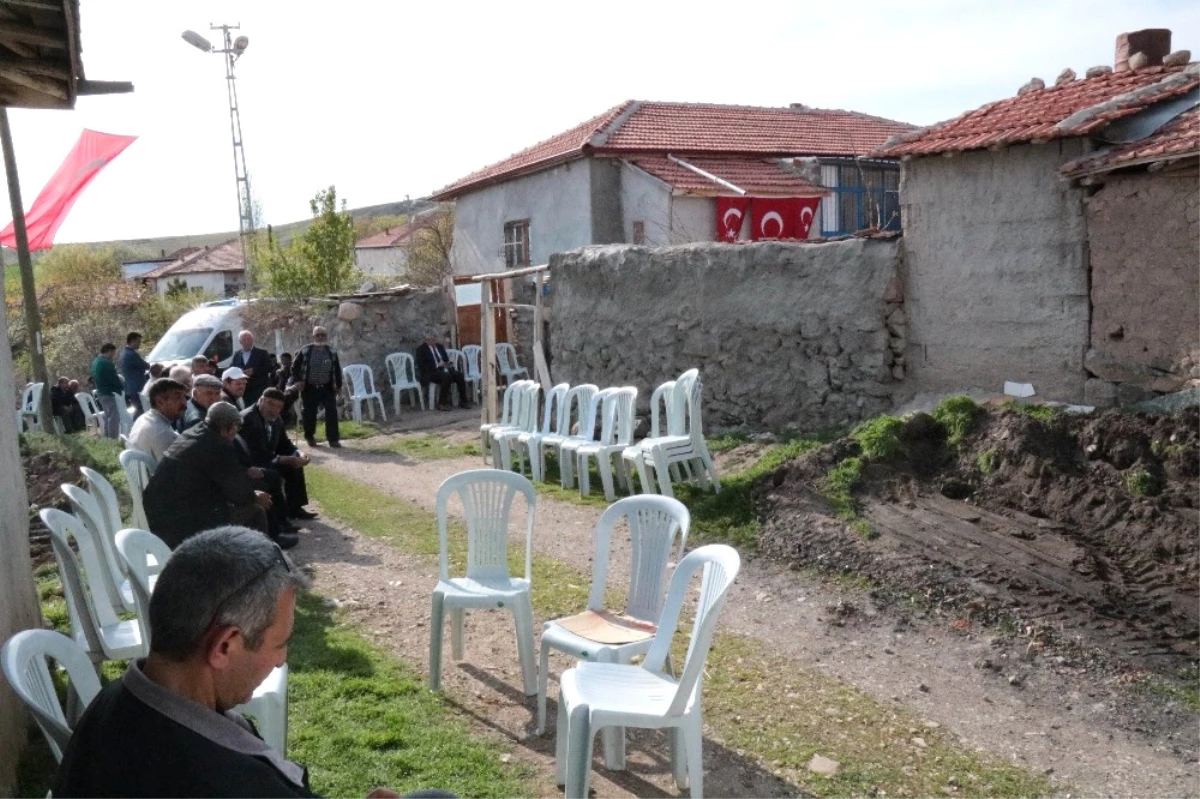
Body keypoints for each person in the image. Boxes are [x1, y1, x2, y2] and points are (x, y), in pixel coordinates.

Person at [50, 526, 454, 799]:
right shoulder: (230, 782)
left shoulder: (112, 702)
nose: (280, 663)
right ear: (224, 646)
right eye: (281, 644)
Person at [143, 402, 275, 549]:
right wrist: (254, 497)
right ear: (227, 428)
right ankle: (258, 560)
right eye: (236, 428)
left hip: (159, 509)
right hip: (179, 521)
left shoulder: (193, 432)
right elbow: (239, 493)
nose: (236, 433)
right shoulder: (218, 446)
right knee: (255, 511)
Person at [240, 388, 317, 522]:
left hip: (268, 459)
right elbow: (254, 452)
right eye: (270, 404)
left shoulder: (276, 419)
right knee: (275, 472)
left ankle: (295, 508)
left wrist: (299, 454)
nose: (274, 409)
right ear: (261, 400)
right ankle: (280, 519)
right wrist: (283, 459)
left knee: (295, 465)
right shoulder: (248, 419)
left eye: (278, 406)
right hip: (251, 463)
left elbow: (285, 444)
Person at [291, 327, 343, 449]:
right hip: (310, 387)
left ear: (326, 337)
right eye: (318, 335)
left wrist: (339, 387)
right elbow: (294, 367)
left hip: (327, 387)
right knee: (309, 413)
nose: (320, 337)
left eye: (323, 335)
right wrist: (298, 381)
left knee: (331, 412)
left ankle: (333, 439)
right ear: (313, 337)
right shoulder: (305, 351)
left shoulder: (332, 352)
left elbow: (337, 371)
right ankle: (309, 436)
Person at [127, 378, 188, 462]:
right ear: (160, 402)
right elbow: (173, 471)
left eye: (185, 397)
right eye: (177, 397)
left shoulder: (144, 418)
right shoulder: (162, 434)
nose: (184, 402)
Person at [414, 328, 471, 412]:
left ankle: (463, 401)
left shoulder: (439, 346)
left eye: (435, 339)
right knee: (446, 377)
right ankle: (441, 403)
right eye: (432, 340)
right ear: (427, 340)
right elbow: (423, 366)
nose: (434, 342)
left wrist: (447, 363)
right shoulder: (421, 350)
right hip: (431, 372)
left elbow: (445, 359)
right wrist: (437, 365)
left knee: (459, 375)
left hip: (443, 368)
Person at [231, 330, 273, 406]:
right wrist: (240, 372)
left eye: (249, 339)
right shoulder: (237, 355)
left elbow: (270, 367)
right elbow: (232, 368)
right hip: (245, 389)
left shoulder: (262, 353)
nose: (247, 341)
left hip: (260, 388)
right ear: (240, 342)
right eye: (244, 340)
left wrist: (254, 371)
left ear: (252, 340)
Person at [90, 342, 123, 439]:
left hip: (101, 392)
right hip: (109, 392)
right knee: (114, 417)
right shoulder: (107, 363)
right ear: (108, 351)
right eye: (113, 353)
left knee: (108, 416)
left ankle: (108, 437)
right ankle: (113, 438)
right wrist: (121, 386)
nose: (113, 355)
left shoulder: (95, 361)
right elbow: (114, 378)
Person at [119, 332, 151, 418]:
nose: (139, 344)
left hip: (131, 387)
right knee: (141, 411)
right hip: (137, 387)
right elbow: (145, 365)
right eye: (138, 342)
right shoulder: (131, 354)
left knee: (139, 410)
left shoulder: (123, 353)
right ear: (132, 341)